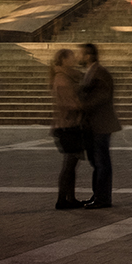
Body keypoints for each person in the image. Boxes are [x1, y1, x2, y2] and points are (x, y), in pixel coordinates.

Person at [78, 43, 122, 208]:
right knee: (97, 162)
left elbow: (101, 97)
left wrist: (81, 104)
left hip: (101, 124)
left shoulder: (100, 73)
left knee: (102, 162)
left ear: (89, 55)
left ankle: (102, 199)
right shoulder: (91, 72)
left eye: (81, 54)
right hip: (94, 124)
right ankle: (98, 195)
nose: (79, 57)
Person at [50, 49, 85, 210]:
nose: (74, 59)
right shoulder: (62, 79)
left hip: (69, 124)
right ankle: (62, 199)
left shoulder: (67, 76)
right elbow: (69, 103)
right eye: (71, 57)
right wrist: (83, 105)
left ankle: (69, 198)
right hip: (67, 125)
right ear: (63, 60)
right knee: (69, 164)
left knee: (71, 163)